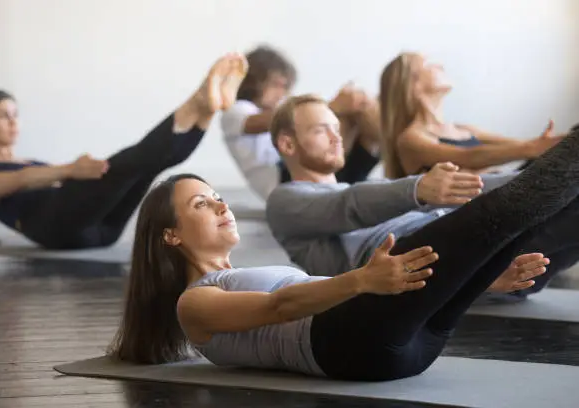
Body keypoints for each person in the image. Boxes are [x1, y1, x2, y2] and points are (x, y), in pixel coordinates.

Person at [108, 124, 579, 381]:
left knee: (508, 233)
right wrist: (361, 281)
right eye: (200, 203)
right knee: (499, 214)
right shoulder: (193, 303)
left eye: (216, 195)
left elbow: (306, 300)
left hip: (404, 347)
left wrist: (486, 278)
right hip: (346, 344)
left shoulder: (233, 278)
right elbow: (280, 306)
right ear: (170, 235)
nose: (220, 203)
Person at [266, 94, 579, 298]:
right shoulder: (283, 203)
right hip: (457, 257)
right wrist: (416, 189)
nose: (337, 138)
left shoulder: (358, 189)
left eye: (337, 128)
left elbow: (478, 189)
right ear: (288, 145)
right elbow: (347, 206)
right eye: (322, 130)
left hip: (481, 262)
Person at [0, 53, 248, 249]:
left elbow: (38, 176)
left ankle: (206, 111)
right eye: (4, 115)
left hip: (102, 232)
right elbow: (21, 180)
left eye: (16, 114)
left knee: (147, 165)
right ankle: (198, 100)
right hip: (58, 231)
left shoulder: (31, 162)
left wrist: (72, 173)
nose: (14, 122)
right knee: (129, 161)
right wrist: (70, 170)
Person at [220, 45, 381, 200]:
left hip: (305, 171)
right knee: (346, 114)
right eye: (276, 84)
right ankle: (391, 138)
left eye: (285, 87)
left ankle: (388, 137)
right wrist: (333, 106)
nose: (282, 93)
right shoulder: (236, 111)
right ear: (254, 81)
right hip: (286, 180)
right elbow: (277, 120)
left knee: (359, 113)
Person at [378, 52, 567, 179]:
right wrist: (532, 148)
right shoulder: (411, 139)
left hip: (501, 191)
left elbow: (520, 145)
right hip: (471, 213)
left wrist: (552, 145)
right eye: (429, 64)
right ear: (413, 87)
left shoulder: (464, 129)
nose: (440, 65)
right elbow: (467, 156)